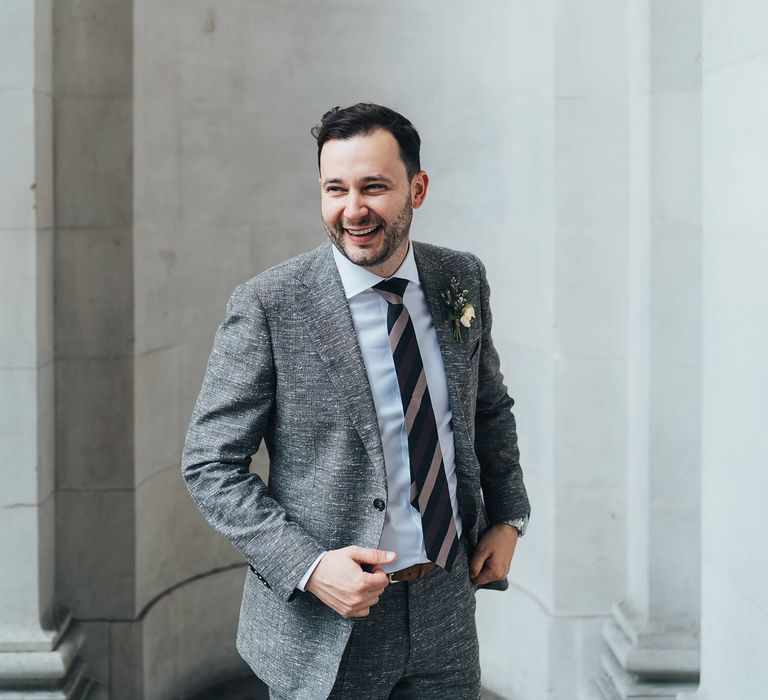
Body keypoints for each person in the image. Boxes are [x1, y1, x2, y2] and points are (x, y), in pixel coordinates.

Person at [181, 103, 530, 700]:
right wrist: (310, 567)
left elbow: (488, 408)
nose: (353, 209)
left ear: (417, 188)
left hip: (447, 603)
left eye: (374, 187)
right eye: (335, 188)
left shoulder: (459, 278)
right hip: (328, 621)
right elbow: (209, 464)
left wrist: (508, 513)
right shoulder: (268, 306)